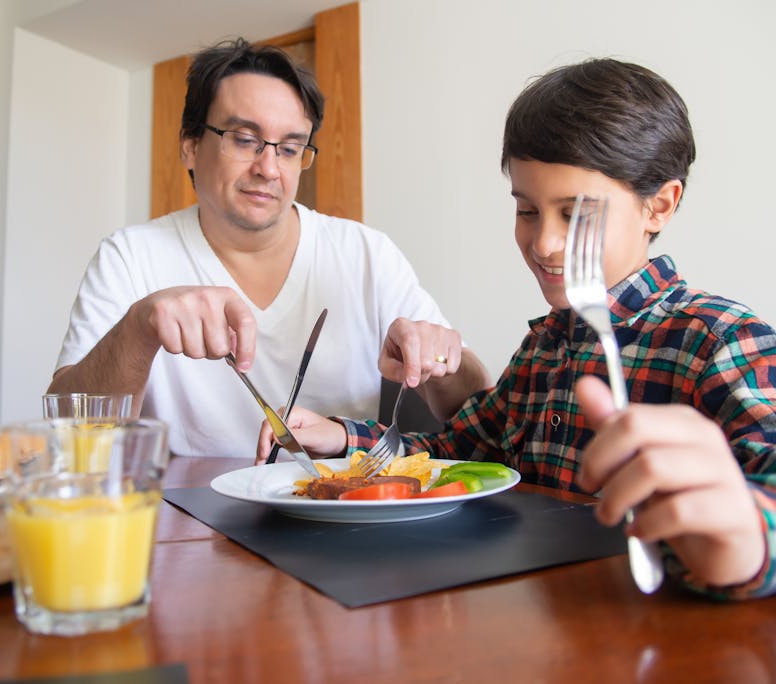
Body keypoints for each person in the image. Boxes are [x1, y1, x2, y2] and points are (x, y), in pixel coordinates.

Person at [256, 58, 776, 615]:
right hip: (543, 624)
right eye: (526, 208)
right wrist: (342, 437)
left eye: (578, 213)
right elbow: (457, 447)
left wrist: (752, 533)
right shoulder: (546, 347)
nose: (543, 242)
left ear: (660, 206)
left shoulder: (720, 338)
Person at [49, 38, 490, 458]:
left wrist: (439, 357)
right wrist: (138, 329)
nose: (269, 168)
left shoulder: (365, 253)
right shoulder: (129, 257)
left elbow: (476, 411)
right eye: (244, 139)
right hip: (185, 519)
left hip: (332, 514)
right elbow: (69, 434)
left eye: (290, 148)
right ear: (190, 146)